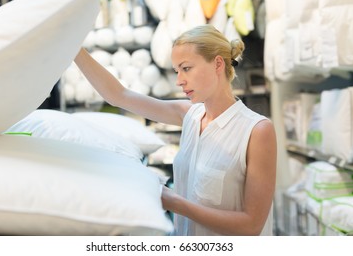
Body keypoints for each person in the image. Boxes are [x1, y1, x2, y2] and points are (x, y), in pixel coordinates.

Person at [74, 24, 277, 236]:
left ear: (217, 64)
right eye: (176, 71)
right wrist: (74, 50)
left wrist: (174, 202)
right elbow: (118, 96)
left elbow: (251, 225)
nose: (179, 80)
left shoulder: (256, 131)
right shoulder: (190, 116)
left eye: (186, 68)